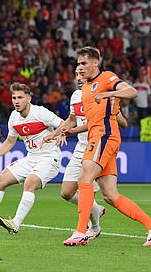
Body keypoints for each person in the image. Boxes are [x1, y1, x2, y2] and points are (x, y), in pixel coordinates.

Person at [62, 47, 151, 246]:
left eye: (83, 63)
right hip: (96, 133)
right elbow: (92, 120)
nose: (79, 68)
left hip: (105, 135)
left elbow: (132, 92)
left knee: (84, 176)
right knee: (110, 195)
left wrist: (109, 95)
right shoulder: (84, 89)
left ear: (94, 63)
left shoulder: (107, 77)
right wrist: (73, 131)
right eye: (78, 64)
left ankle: (81, 231)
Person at [0, 83, 64, 234]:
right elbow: (10, 141)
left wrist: (61, 133)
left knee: (30, 182)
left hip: (49, 158)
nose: (16, 101)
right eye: (14, 98)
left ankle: (15, 223)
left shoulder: (40, 113)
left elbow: (63, 124)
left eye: (20, 98)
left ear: (29, 99)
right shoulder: (14, 117)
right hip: (31, 158)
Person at [42, 70, 127, 240]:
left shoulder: (102, 95)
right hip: (80, 147)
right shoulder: (75, 96)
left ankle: (91, 228)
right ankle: (97, 211)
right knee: (66, 192)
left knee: (86, 187)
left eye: (82, 75)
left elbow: (124, 123)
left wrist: (112, 113)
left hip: (98, 145)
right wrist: (54, 134)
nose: (79, 78)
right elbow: (71, 120)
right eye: (77, 75)